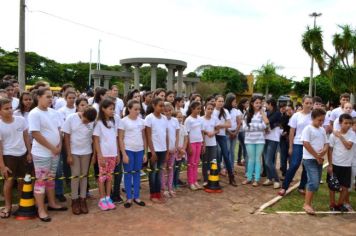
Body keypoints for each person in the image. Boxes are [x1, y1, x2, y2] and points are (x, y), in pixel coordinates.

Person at [28, 87, 67, 222]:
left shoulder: (54, 112)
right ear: (39, 97)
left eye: (52, 97)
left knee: (51, 178)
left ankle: (51, 203)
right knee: (41, 181)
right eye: (48, 96)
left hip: (54, 152)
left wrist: (59, 146)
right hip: (42, 154)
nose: (51, 99)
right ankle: (40, 209)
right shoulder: (34, 113)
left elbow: (59, 130)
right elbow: (36, 134)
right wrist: (52, 147)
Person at [62, 103, 97, 215]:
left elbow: (94, 138)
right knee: (76, 175)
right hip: (74, 152)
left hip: (86, 152)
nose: (85, 122)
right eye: (84, 120)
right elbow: (66, 137)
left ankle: (83, 199)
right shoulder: (71, 118)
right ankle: (74, 200)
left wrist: (94, 155)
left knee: (84, 175)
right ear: (82, 113)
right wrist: (69, 154)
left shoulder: (92, 121)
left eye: (88, 122)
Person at [0, 98, 32, 218]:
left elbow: (26, 137)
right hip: (9, 156)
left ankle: (21, 204)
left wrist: (29, 152)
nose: (9, 110)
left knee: (23, 181)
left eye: (10, 107)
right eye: (6, 109)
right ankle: (8, 206)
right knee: (9, 181)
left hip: (23, 154)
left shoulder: (21, 120)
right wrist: (2, 166)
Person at [278, 96, 313, 196]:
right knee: (294, 165)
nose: (309, 105)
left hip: (309, 144)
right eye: (307, 103)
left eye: (310, 103)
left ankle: (302, 187)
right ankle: (284, 187)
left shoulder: (314, 115)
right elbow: (292, 132)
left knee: (306, 166)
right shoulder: (296, 115)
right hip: (298, 143)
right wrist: (290, 146)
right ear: (302, 103)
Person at [93, 99, 120, 211]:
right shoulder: (99, 123)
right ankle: (102, 199)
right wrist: (100, 155)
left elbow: (116, 138)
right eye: (110, 109)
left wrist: (117, 153)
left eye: (113, 109)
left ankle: (108, 198)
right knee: (102, 177)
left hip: (113, 154)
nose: (112, 111)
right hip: (103, 155)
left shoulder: (113, 122)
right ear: (103, 109)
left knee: (109, 177)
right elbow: (96, 140)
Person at [119, 99, 147, 208]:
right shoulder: (123, 121)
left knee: (137, 173)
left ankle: (136, 196)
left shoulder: (141, 121)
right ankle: (129, 198)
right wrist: (124, 154)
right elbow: (120, 138)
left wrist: (144, 153)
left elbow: (144, 138)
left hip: (139, 150)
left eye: (139, 109)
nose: (137, 111)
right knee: (128, 173)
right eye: (135, 109)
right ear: (129, 109)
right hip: (128, 150)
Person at [301, 108, 328, 215]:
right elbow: (306, 143)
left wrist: (324, 150)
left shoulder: (322, 130)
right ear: (313, 118)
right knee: (314, 181)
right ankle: (306, 204)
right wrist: (316, 156)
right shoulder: (308, 129)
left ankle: (308, 202)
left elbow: (326, 143)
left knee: (314, 182)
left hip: (319, 159)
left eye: (323, 120)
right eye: (319, 120)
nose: (321, 122)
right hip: (309, 159)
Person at [327, 113, 356, 212]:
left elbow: (348, 146)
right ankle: (332, 204)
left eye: (350, 123)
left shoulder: (352, 134)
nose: (348, 125)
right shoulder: (332, 135)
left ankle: (339, 204)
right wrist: (330, 164)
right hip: (335, 164)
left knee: (345, 186)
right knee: (332, 185)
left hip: (347, 165)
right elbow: (330, 149)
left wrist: (340, 136)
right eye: (346, 123)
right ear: (340, 123)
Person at [242, 96, 269, 187]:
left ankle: (256, 179)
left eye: (259, 102)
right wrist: (257, 126)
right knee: (251, 159)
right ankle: (249, 178)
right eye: (256, 103)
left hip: (260, 140)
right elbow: (245, 128)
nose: (258, 104)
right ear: (252, 103)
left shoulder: (263, 113)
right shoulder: (247, 113)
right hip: (249, 140)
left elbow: (265, 125)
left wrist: (252, 126)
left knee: (257, 159)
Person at [145, 97, 168, 203]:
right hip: (153, 150)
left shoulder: (164, 118)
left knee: (159, 172)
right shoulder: (149, 118)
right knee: (153, 172)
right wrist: (152, 152)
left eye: (163, 105)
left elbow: (166, 135)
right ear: (154, 105)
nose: (162, 108)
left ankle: (158, 193)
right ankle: (153, 194)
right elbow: (148, 136)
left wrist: (167, 150)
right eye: (160, 105)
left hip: (163, 149)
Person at [55, 90, 77, 202]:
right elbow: (61, 127)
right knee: (66, 162)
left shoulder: (77, 109)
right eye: (70, 98)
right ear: (65, 98)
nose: (72, 100)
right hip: (65, 139)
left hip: (77, 140)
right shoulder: (60, 111)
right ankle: (67, 181)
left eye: (74, 98)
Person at [213, 95, 237, 186]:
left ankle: (231, 177)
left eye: (222, 101)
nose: (221, 103)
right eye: (219, 101)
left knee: (226, 155)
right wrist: (221, 125)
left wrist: (220, 126)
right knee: (217, 154)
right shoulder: (212, 110)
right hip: (214, 136)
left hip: (222, 135)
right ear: (215, 101)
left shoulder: (225, 111)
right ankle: (216, 174)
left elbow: (229, 124)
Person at [185, 101, 204, 190]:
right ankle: (190, 182)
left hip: (199, 142)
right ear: (192, 109)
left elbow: (201, 131)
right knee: (191, 163)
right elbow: (186, 134)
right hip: (191, 143)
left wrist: (203, 143)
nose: (199, 111)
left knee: (196, 163)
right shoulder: (188, 120)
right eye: (197, 109)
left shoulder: (200, 118)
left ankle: (195, 181)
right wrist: (188, 146)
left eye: (200, 109)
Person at [161, 102, 179, 197]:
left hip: (173, 149)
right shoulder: (162, 120)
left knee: (171, 169)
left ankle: (170, 187)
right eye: (166, 111)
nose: (168, 112)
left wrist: (175, 147)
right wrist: (167, 150)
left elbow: (177, 134)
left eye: (169, 110)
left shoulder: (175, 120)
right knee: (163, 169)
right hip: (165, 150)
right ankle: (163, 189)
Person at [263, 98, 282, 189]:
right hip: (265, 138)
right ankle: (269, 178)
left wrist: (263, 115)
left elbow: (268, 122)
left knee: (268, 160)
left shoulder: (277, 113)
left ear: (270, 104)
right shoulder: (266, 112)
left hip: (273, 139)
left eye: (266, 104)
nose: (265, 106)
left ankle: (277, 180)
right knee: (266, 160)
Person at [201, 102, 219, 186]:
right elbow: (200, 131)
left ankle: (213, 178)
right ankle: (205, 179)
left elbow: (217, 130)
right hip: (205, 143)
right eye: (208, 109)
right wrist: (206, 132)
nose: (210, 110)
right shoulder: (201, 119)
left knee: (213, 161)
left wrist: (213, 132)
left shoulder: (214, 119)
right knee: (205, 162)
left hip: (213, 143)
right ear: (205, 109)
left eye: (212, 109)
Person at [225, 93, 242, 171]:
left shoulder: (236, 111)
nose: (235, 103)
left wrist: (235, 132)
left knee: (232, 151)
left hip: (235, 133)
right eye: (234, 101)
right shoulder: (224, 111)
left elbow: (239, 123)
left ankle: (231, 167)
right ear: (229, 101)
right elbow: (224, 123)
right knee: (227, 150)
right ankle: (225, 167)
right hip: (227, 133)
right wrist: (230, 132)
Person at [173, 111, 188, 189]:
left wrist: (183, 149)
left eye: (181, 117)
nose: (180, 119)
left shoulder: (183, 127)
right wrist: (178, 149)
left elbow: (186, 139)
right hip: (175, 150)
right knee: (173, 168)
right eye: (178, 117)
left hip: (181, 151)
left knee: (178, 167)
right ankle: (172, 183)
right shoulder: (173, 127)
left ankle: (176, 183)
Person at [279, 105, 293, 177]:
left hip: (292, 140)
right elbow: (282, 126)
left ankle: (290, 174)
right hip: (284, 140)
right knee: (283, 157)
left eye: (290, 110)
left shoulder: (295, 118)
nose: (289, 111)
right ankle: (284, 173)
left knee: (291, 158)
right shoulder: (283, 118)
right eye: (287, 110)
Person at [237, 98, 249, 167]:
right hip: (240, 131)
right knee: (244, 147)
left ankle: (241, 160)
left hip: (243, 130)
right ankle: (245, 161)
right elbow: (240, 122)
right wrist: (244, 122)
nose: (247, 104)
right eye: (246, 103)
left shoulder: (244, 111)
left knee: (242, 146)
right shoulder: (239, 111)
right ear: (243, 104)